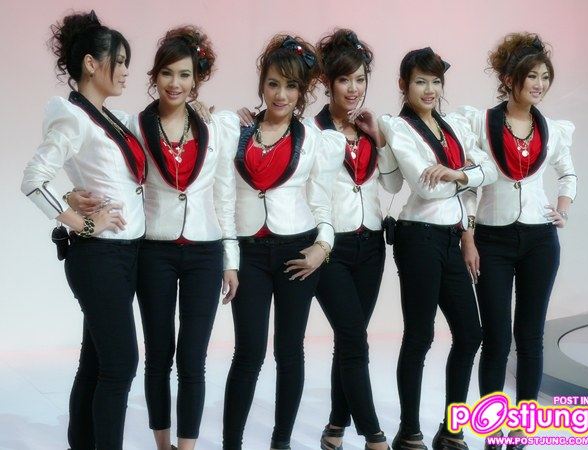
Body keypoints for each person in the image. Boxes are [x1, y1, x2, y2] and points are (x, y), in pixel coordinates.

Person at [20, 11, 146, 450]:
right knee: (121, 364)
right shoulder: (72, 116)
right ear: (92, 63)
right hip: (99, 257)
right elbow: (33, 179)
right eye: (120, 61)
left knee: (96, 364)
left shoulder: (109, 117)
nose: (126, 71)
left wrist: (74, 193)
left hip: (124, 255)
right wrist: (82, 221)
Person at [222, 34, 345, 450]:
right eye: (273, 83)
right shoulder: (236, 129)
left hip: (298, 252)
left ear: (303, 91)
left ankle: (281, 442)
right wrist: (229, 259)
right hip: (250, 254)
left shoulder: (315, 139)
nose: (281, 94)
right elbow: (224, 200)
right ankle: (232, 444)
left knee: (290, 352)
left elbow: (323, 203)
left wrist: (322, 247)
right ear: (262, 83)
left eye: (291, 86)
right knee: (248, 353)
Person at [458, 32, 576, 450]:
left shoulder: (552, 130)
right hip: (491, 240)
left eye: (545, 76)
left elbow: (568, 173)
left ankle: (523, 425)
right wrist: (468, 236)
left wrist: (562, 208)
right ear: (509, 79)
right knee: (496, 337)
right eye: (532, 76)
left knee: (530, 337)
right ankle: (492, 426)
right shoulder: (480, 123)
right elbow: (469, 186)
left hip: (540, 240)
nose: (539, 84)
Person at [377, 47, 497, 450]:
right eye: (420, 81)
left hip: (451, 237)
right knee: (420, 335)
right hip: (418, 238)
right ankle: (409, 431)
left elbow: (490, 171)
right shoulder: (398, 127)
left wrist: (458, 176)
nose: (430, 89)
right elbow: (424, 186)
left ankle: (451, 429)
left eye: (435, 81)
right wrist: (466, 177)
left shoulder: (454, 125)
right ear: (403, 85)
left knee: (470, 333)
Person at [127, 26, 239, 450]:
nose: (175, 83)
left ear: (197, 79)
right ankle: (162, 444)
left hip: (205, 252)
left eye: (185, 74)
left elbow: (224, 197)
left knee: (193, 358)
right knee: (158, 355)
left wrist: (231, 261)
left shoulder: (214, 127)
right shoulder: (135, 125)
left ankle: (187, 447)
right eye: (167, 73)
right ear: (154, 76)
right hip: (153, 250)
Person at [307, 28, 393, 450]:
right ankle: (374, 436)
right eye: (344, 80)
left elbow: (392, 184)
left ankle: (335, 427)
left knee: (350, 339)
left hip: (372, 245)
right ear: (327, 82)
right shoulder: (310, 130)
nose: (354, 88)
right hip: (331, 249)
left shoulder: (369, 128)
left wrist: (379, 139)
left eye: (360, 79)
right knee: (355, 340)